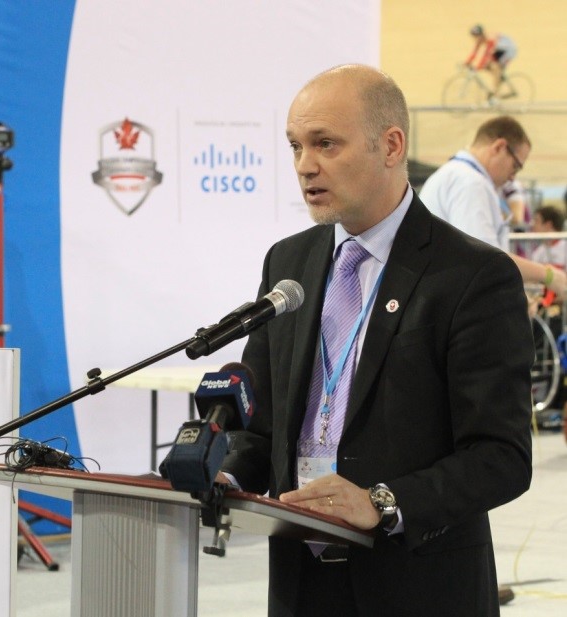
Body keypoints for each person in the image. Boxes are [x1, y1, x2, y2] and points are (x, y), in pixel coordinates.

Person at [217, 65, 533, 616]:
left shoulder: (471, 276)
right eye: (295, 146)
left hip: (417, 586)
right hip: (300, 584)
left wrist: (382, 504)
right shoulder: (288, 262)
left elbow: (501, 455)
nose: (304, 165)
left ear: (390, 146)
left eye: (325, 144)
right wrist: (220, 473)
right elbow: (262, 426)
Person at [419, 115, 567, 299]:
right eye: (515, 166)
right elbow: (485, 259)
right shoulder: (471, 183)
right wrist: (548, 275)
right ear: (499, 147)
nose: (513, 177)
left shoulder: (458, 175)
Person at [465, 24, 518, 101]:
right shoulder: (480, 40)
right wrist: (467, 63)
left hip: (508, 50)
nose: (475, 38)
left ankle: (496, 94)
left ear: (482, 34)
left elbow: (487, 55)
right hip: (499, 49)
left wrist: (477, 67)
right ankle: (498, 78)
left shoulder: (490, 39)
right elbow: (474, 53)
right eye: (474, 36)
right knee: (487, 66)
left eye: (477, 36)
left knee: (496, 68)